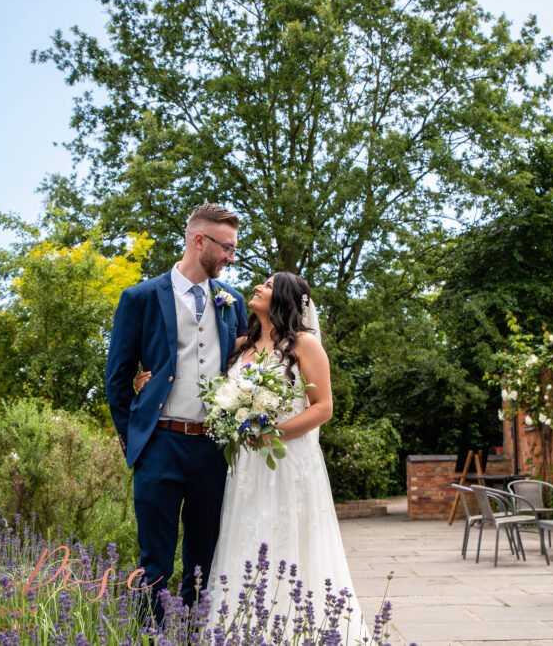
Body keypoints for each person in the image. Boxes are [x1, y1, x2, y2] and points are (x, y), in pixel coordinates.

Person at [136, 272, 367, 639]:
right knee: (243, 541)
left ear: (286, 301)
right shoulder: (241, 345)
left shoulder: (305, 345)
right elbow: (194, 374)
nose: (257, 288)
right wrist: (145, 384)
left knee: (288, 542)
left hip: (287, 462)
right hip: (244, 467)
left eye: (268, 285)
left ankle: (296, 629)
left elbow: (323, 408)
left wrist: (272, 433)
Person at [105, 203, 249, 622]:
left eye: (235, 249)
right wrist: (135, 438)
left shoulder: (231, 301)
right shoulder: (141, 298)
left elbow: (242, 371)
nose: (231, 257)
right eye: (226, 247)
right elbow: (117, 377)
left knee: (203, 561)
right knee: (155, 562)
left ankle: (192, 634)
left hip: (212, 448)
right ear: (198, 240)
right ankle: (150, 635)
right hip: (160, 445)